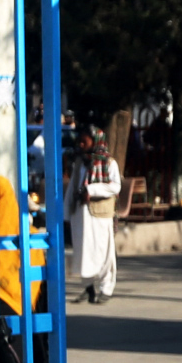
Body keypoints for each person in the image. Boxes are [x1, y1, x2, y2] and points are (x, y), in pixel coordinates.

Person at [71, 127, 124, 303]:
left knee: (104, 252)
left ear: (95, 142)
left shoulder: (109, 163)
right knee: (84, 251)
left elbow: (115, 187)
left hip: (100, 214)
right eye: (79, 141)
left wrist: (91, 190)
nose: (80, 145)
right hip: (81, 214)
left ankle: (106, 289)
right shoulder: (80, 162)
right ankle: (88, 288)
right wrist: (66, 212)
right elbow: (73, 186)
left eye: (84, 142)